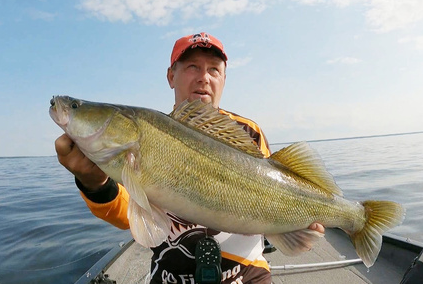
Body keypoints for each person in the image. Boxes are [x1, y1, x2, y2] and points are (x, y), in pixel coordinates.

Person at [55, 32, 325, 284]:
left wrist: (300, 224)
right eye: (192, 67)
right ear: (171, 76)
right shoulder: (147, 139)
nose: (203, 77)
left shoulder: (249, 133)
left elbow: (276, 195)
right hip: (171, 275)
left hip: (245, 274)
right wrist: (95, 183)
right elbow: (128, 213)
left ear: (223, 79)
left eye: (214, 69)